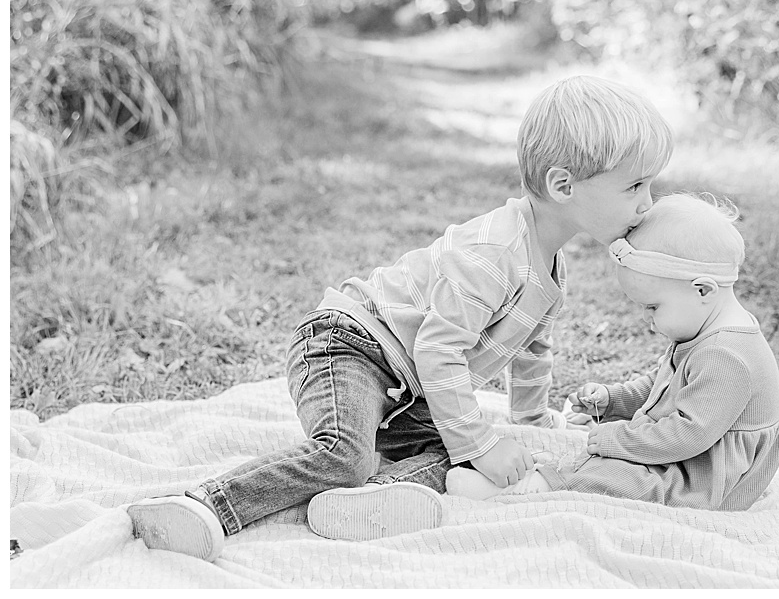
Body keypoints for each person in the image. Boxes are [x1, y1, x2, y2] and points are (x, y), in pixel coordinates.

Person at [126, 75, 673, 561]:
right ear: (563, 186)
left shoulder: (549, 268)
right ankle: (203, 505)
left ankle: (370, 501)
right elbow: (438, 350)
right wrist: (481, 443)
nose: (648, 202)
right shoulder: (493, 252)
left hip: (406, 387)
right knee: (346, 453)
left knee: (460, 452)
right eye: (635, 186)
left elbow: (531, 350)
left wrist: (521, 427)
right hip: (350, 345)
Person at [445, 193, 779, 511]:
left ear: (702, 290)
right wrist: (614, 400)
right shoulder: (705, 329)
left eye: (652, 307)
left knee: (623, 478)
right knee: (614, 456)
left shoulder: (726, 355)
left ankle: (531, 489)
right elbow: (664, 388)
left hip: (700, 482)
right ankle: (554, 474)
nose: (645, 318)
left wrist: (617, 438)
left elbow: (687, 434)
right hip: (689, 458)